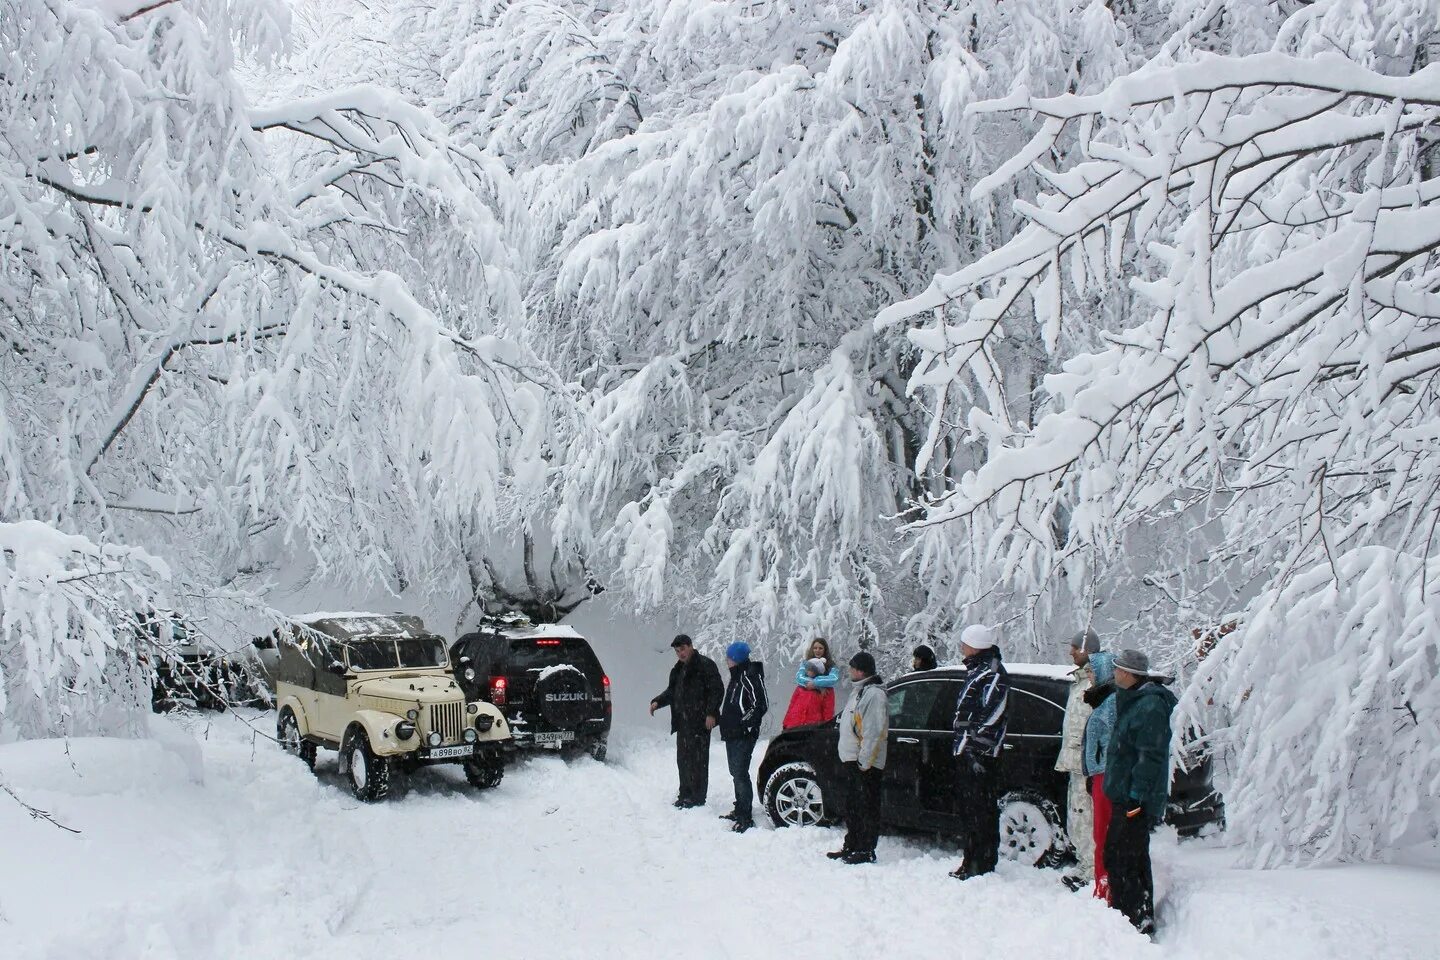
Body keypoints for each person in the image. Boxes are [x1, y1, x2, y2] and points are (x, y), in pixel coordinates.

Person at [1103, 649, 1176, 937]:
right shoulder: (1135, 700)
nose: (1115, 674)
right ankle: (1135, 913)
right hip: (1125, 793)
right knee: (1129, 855)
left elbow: (1150, 757)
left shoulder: (1150, 707)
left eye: (1118, 670)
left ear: (1129, 674)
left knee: (1122, 857)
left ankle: (1132, 918)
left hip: (1135, 799)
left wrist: (1136, 796)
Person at [949, 623, 1009, 879]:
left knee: (980, 811)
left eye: (965, 643)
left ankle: (980, 863)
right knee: (971, 810)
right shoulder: (978, 670)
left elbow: (993, 714)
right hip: (968, 751)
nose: (962, 648)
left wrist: (975, 747)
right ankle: (972, 860)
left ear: (975, 645)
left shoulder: (993, 673)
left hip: (980, 756)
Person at [650, 634, 723, 808]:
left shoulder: (705, 665)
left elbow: (717, 690)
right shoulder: (677, 670)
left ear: (690, 646)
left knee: (698, 760)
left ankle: (697, 797)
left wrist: (711, 713)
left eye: (682, 649)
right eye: (677, 651)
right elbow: (672, 692)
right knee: (683, 759)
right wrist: (658, 701)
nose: (680, 653)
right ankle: (685, 793)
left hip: (700, 722)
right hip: (682, 722)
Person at [828, 651, 887, 864]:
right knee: (852, 806)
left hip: (865, 764)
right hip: (853, 761)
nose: (850, 670)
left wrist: (864, 762)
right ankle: (852, 844)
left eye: (853, 667)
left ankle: (865, 849)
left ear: (861, 670)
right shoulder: (859, 691)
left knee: (866, 806)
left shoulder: (874, 695)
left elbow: (873, 731)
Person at [1055, 627, 1100, 888]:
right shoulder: (1079, 682)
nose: (1071, 651)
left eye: (1076, 647)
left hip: (1088, 763)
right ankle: (1086, 865)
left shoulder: (1095, 683)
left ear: (1089, 650)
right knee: (1077, 814)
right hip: (1075, 762)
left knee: (1086, 815)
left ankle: (1093, 871)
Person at [718, 641, 768, 832]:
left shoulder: (750, 676)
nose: (727, 661)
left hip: (743, 734)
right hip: (732, 733)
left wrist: (743, 723)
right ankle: (740, 808)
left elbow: (760, 705)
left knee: (740, 773)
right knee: (735, 772)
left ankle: (745, 816)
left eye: (729, 658)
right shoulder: (737, 675)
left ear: (736, 659)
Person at [1082, 645, 1118, 900]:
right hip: (1100, 774)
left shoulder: (1109, 704)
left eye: (1092, 673)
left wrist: (1096, 768)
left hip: (1105, 775)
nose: (1090, 678)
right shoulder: (1104, 701)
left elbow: (1110, 742)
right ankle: (1103, 885)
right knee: (1102, 833)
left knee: (1103, 834)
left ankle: (1106, 889)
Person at [781, 638, 839, 729]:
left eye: (820, 648)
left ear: (825, 650)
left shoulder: (830, 668)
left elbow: (833, 679)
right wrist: (786, 722)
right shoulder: (805, 667)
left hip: (813, 726)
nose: (817, 650)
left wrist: (816, 683)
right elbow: (799, 678)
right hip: (794, 723)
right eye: (815, 648)